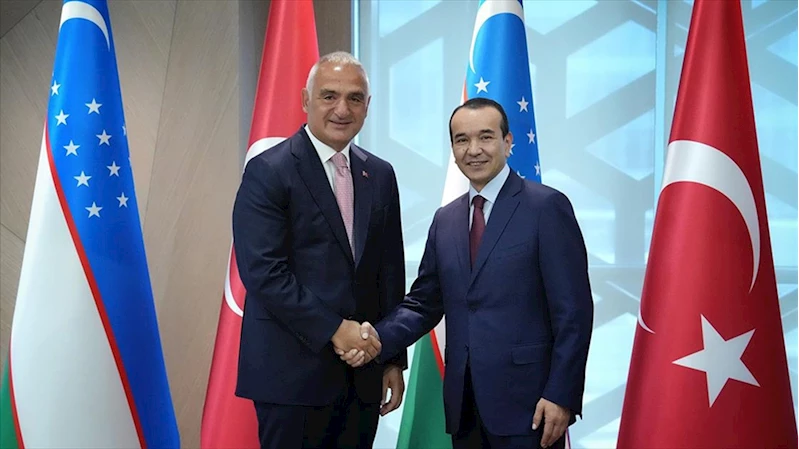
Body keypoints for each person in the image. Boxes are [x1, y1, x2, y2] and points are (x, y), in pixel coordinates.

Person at [342, 98, 593, 449]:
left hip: (531, 405)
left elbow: (574, 313)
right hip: (464, 407)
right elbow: (424, 303)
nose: (473, 150)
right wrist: (377, 338)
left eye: (486, 137)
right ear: (453, 149)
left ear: (508, 142)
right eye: (462, 140)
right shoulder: (445, 220)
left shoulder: (546, 207)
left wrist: (561, 394)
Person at [232, 51, 407, 449]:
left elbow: (389, 272)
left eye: (354, 98)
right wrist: (335, 329)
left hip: (362, 377)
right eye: (329, 96)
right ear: (305, 100)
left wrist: (392, 358)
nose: (342, 109)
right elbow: (263, 272)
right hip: (291, 378)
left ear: (367, 105)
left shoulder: (380, 174)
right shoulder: (269, 170)